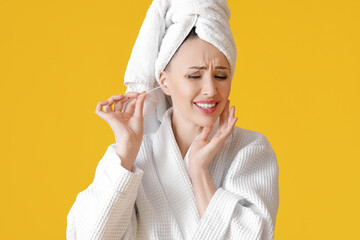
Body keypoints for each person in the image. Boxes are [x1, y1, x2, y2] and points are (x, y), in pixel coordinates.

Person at [66, 1, 279, 240]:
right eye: (194, 75)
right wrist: (126, 154)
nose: (210, 89)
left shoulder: (250, 149)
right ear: (164, 81)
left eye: (221, 75)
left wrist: (200, 172)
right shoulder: (134, 157)